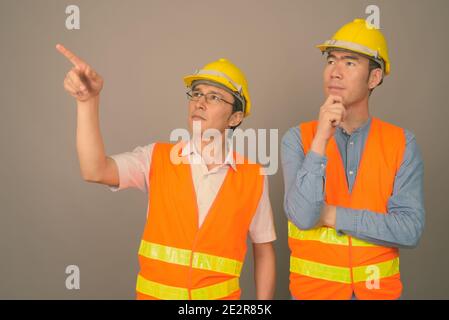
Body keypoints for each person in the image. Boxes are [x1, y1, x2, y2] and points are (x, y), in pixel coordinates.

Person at [56, 44, 276, 300]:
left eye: (214, 97)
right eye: (196, 94)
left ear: (235, 118)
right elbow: (94, 170)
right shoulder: (155, 158)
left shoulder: (254, 176)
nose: (200, 103)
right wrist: (88, 102)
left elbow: (264, 250)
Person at [281, 19, 425, 300]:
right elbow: (303, 216)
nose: (335, 72)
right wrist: (320, 140)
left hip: (378, 294)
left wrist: (332, 215)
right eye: (331, 60)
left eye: (349, 63)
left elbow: (409, 229)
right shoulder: (298, 138)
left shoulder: (401, 143)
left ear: (374, 78)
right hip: (313, 295)